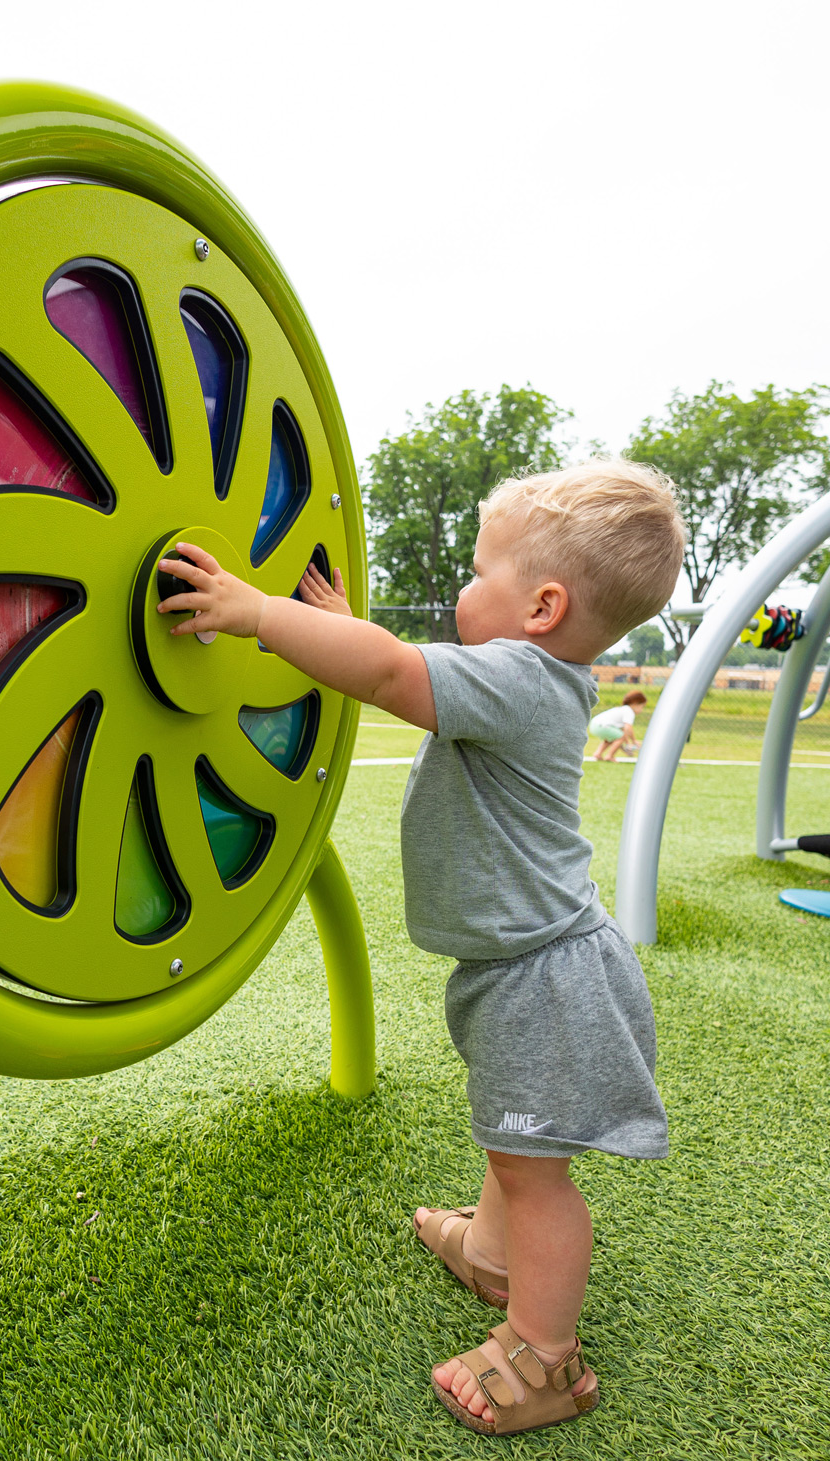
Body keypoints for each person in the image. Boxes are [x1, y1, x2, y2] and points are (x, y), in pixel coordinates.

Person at [156, 459, 686, 1438]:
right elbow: (391, 664)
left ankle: (546, 1358)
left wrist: (258, 611)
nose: (461, 590)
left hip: (546, 976)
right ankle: (492, 1256)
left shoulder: (526, 682)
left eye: (481, 574)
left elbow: (394, 673)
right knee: (512, 1137)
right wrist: (348, 627)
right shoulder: (527, 677)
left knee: (536, 1169)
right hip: (522, 964)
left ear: (543, 606)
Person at [589, 690, 647, 761]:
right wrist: (633, 741)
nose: (641, 710)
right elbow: (628, 728)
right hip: (601, 726)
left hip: (594, 725)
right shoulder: (629, 711)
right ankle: (609, 756)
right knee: (621, 737)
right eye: (642, 706)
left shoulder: (623, 709)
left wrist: (627, 745)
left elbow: (623, 732)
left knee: (612, 738)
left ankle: (598, 753)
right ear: (635, 703)